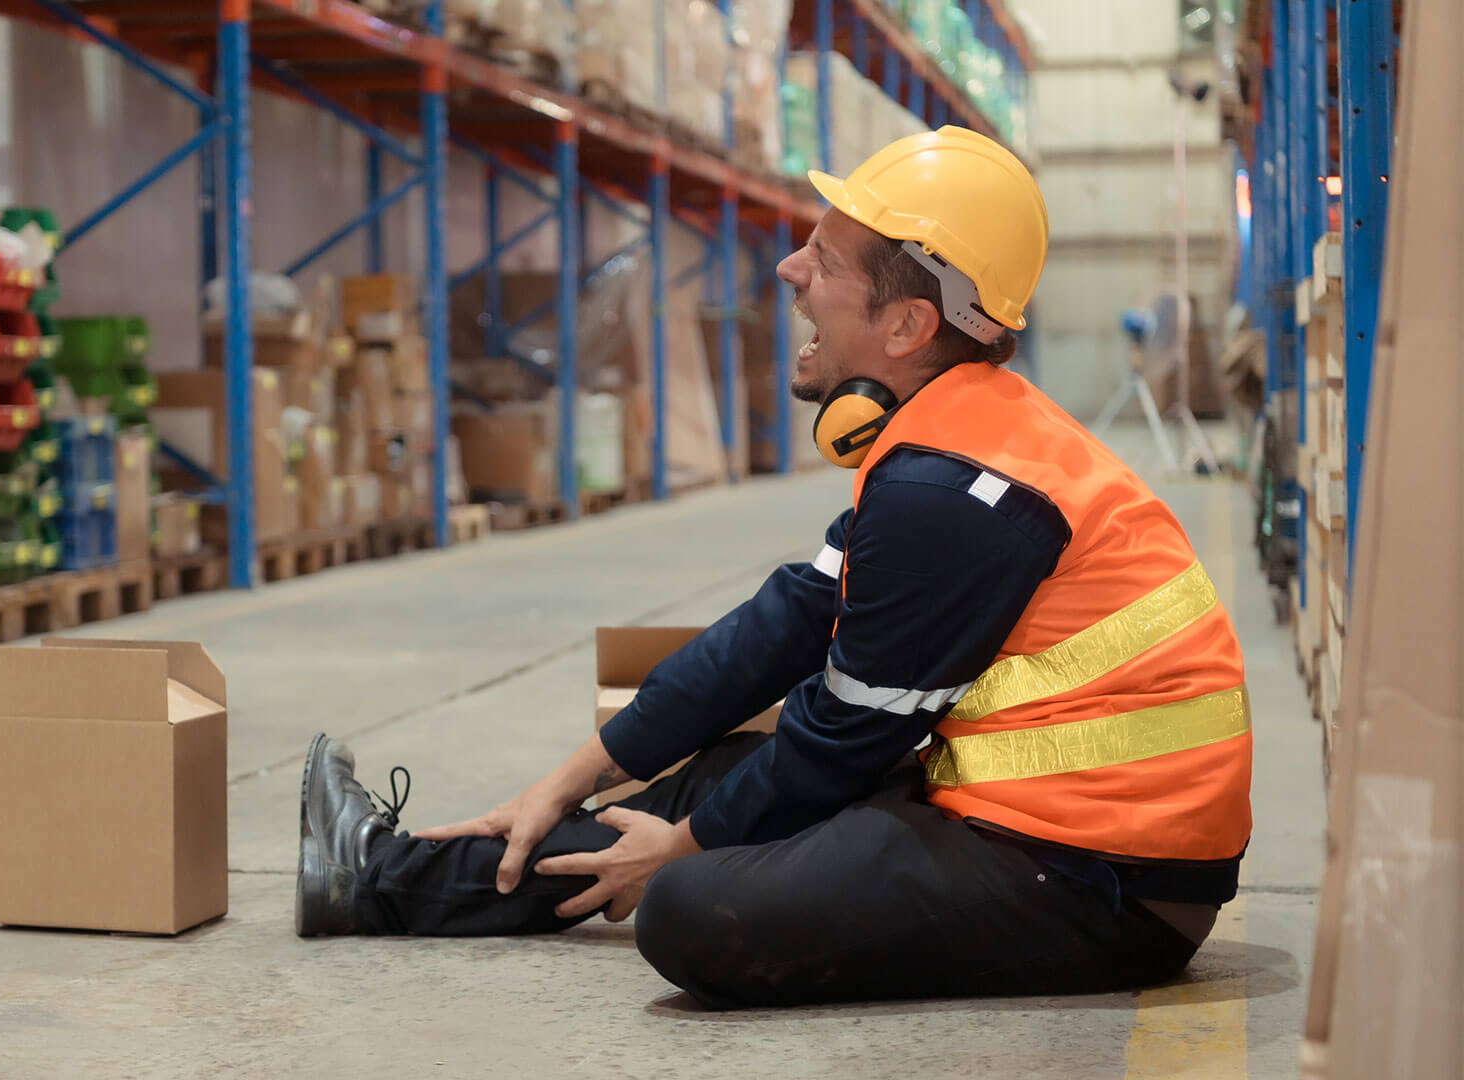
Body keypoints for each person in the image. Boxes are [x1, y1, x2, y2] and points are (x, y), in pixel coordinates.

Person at [293, 126, 1254, 1010]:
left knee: (689, 905)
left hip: (1102, 882)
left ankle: (419, 877)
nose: (791, 268)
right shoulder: (949, 433)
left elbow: (845, 734)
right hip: (1013, 817)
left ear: (909, 326)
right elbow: (784, 624)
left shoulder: (954, 492)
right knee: (719, 774)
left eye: (825, 261)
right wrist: (571, 775)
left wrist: (684, 851)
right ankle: (374, 878)